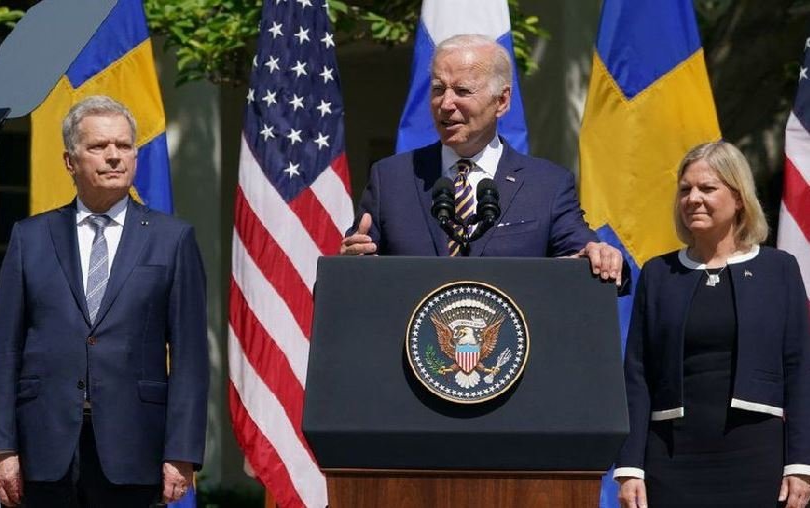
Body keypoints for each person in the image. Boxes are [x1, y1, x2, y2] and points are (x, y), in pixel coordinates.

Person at [0, 95, 208, 507]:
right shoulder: (30, 237)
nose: (113, 157)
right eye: (98, 147)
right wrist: (0, 447)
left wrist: (181, 451)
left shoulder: (172, 239)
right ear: (70, 161)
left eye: (124, 146)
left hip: (134, 447)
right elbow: (5, 349)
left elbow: (190, 355)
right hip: (43, 447)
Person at [339, 34, 625, 286]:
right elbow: (351, 275)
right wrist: (351, 265)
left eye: (462, 91)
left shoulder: (547, 185)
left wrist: (597, 256)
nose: (446, 103)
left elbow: (583, 260)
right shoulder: (391, 179)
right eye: (438, 89)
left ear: (501, 102)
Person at [615, 141, 810, 508]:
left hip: (757, 459)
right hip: (671, 459)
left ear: (738, 198)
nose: (693, 198)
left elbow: (800, 369)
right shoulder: (659, 274)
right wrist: (630, 468)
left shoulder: (779, 270)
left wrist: (801, 464)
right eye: (685, 189)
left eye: (707, 188)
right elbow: (637, 375)